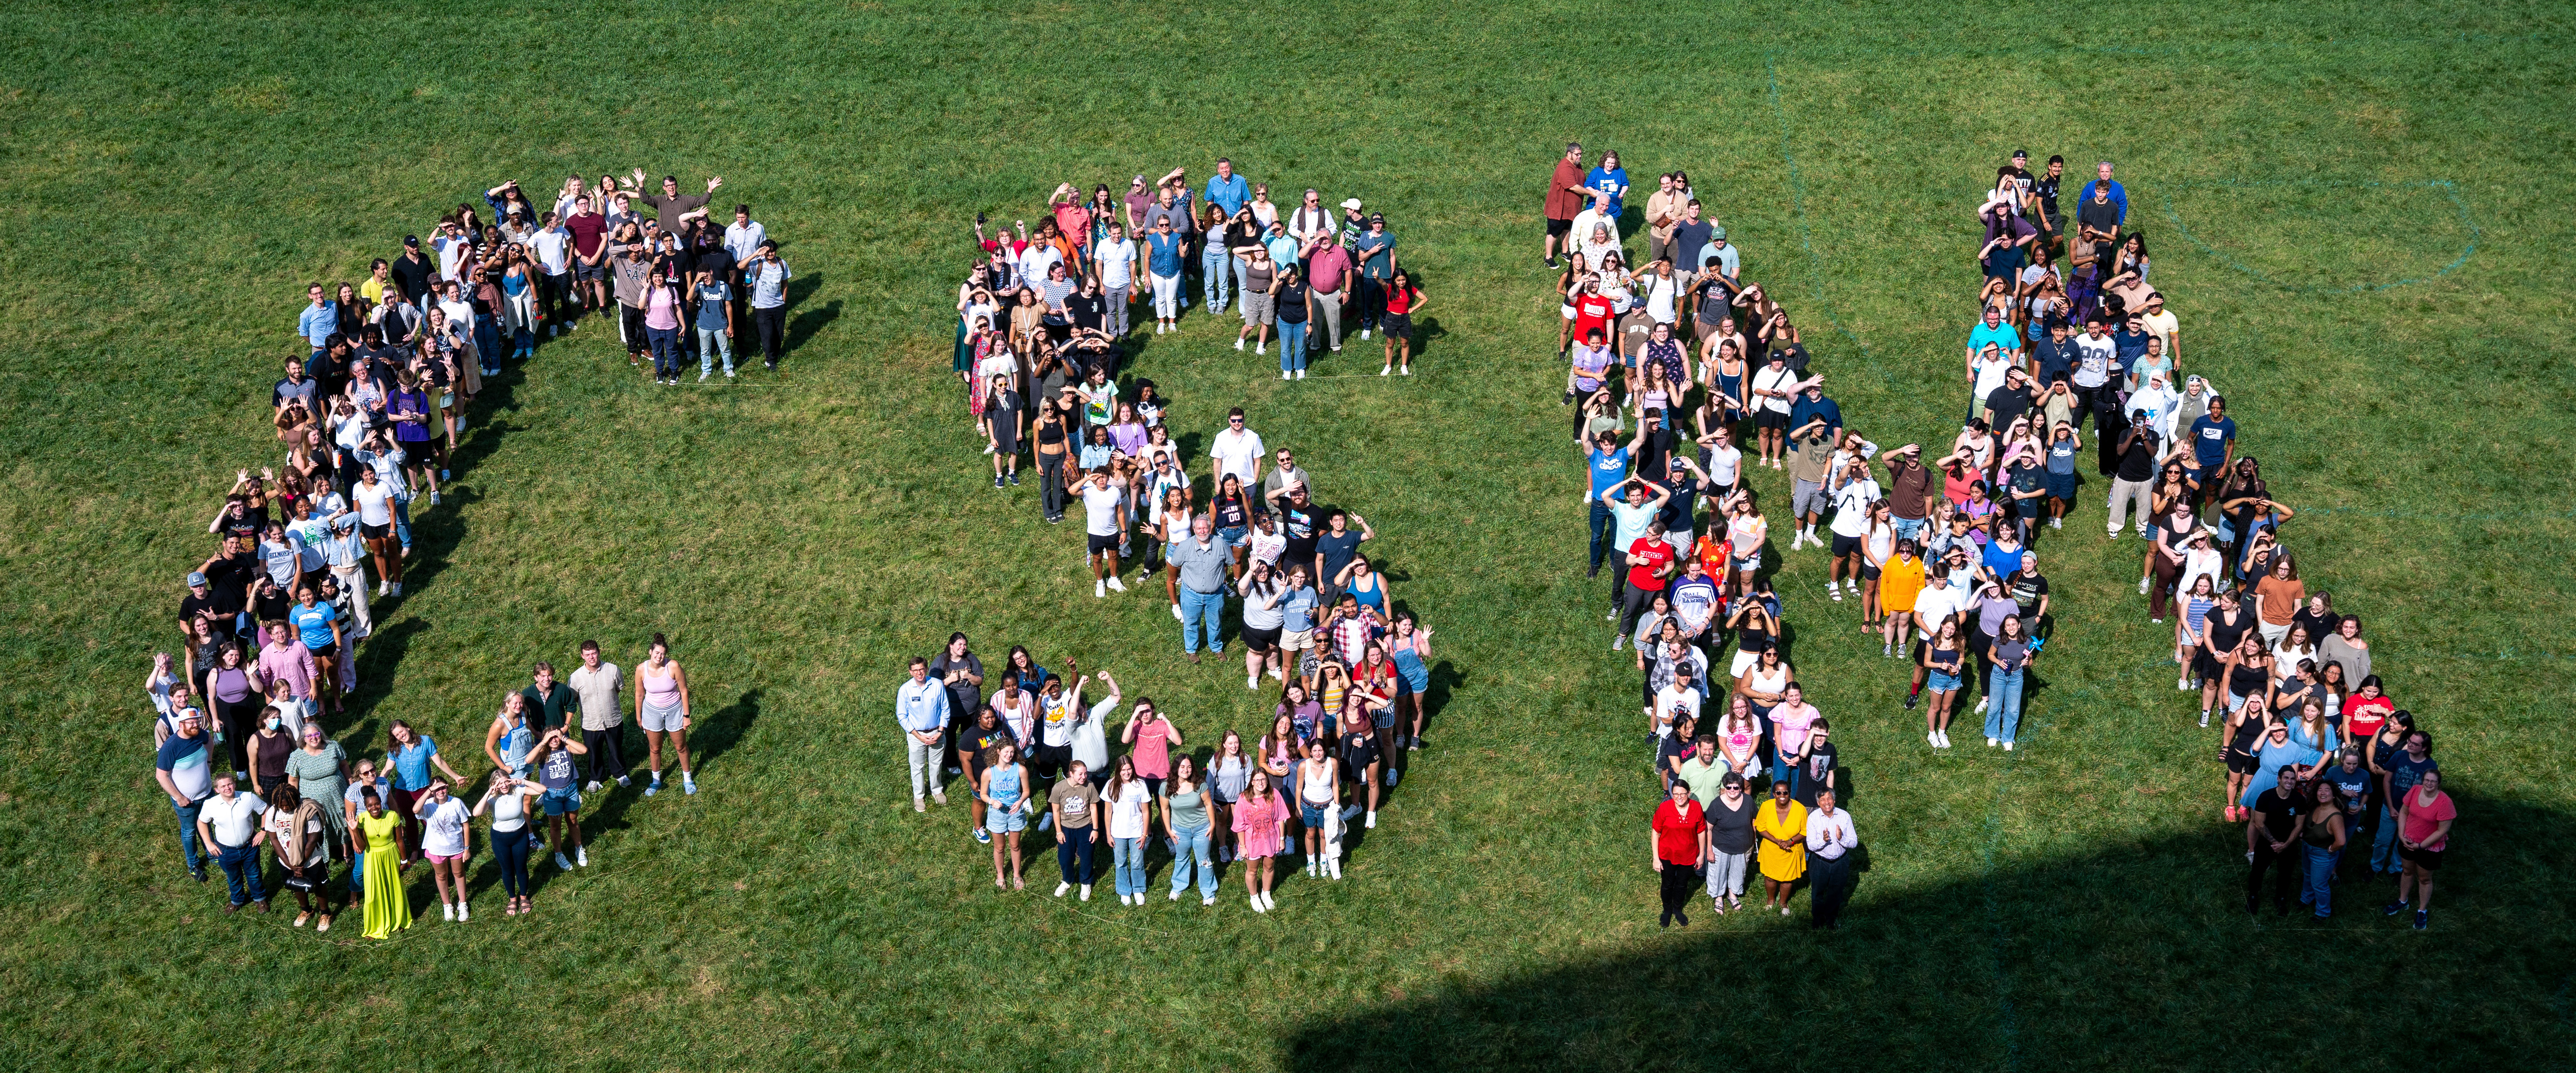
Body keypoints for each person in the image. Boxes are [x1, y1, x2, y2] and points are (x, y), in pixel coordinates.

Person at [2387, 768, 2454, 931]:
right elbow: (2404, 812)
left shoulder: (2445, 802)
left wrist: (2422, 846)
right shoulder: (2415, 790)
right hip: (2408, 841)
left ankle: (2422, 910)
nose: (2429, 783)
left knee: (2424, 879)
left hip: (2429, 848)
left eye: (2433, 781)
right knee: (2407, 871)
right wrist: (2402, 836)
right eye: (2427, 780)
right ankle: (2403, 901)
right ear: (2423, 781)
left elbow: (2442, 830)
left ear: (2439, 784)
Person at [264, 781, 334, 930]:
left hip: (311, 859)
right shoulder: (273, 813)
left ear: (295, 800)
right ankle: (306, 910)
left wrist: (300, 863)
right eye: (281, 805)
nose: (285, 808)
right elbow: (274, 839)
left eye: (288, 804)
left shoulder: (308, 811)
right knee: (297, 885)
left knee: (319, 886)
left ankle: (325, 913)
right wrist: (291, 865)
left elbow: (313, 839)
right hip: (287, 861)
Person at [196, 773, 269, 912]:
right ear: (217, 790)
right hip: (225, 850)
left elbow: (266, 810)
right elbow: (201, 822)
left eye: (230, 784)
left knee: (254, 874)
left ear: (235, 784)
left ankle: (260, 899)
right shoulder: (211, 804)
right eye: (223, 786)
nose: (227, 788)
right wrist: (209, 844)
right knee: (233, 877)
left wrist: (263, 831)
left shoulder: (248, 797)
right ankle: (237, 901)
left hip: (249, 846)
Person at [474, 770, 543, 916]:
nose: (504, 785)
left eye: (506, 781)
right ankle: (513, 899)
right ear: (494, 785)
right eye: (500, 783)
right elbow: (477, 813)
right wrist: (489, 792)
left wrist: (522, 782)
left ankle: (524, 897)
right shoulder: (492, 798)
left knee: (521, 868)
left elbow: (542, 789)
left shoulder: (518, 790)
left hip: (520, 835)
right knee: (507, 870)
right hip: (501, 839)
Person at [352, 785, 413, 939]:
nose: (374, 808)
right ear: (365, 807)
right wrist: (353, 830)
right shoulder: (362, 819)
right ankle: (374, 927)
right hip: (372, 857)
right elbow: (362, 847)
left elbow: (399, 841)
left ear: (382, 802)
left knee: (394, 889)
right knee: (373, 893)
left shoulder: (392, 816)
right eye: (370, 806)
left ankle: (398, 921)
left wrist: (404, 860)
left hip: (391, 854)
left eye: (377, 804)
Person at [568, 640, 630, 791]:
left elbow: (617, 689)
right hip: (591, 724)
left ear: (599, 652)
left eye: (594, 653)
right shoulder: (576, 677)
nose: (592, 657)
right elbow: (574, 698)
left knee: (616, 749)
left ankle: (620, 774)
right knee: (594, 753)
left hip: (613, 720)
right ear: (582, 656)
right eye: (588, 655)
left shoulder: (613, 670)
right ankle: (596, 778)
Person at [1169, 515, 1232, 661]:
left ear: (1210, 528)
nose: (1202, 531)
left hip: (1215, 595)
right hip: (1191, 595)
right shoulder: (1184, 546)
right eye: (1199, 528)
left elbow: (1228, 562)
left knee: (1215, 623)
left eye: (1205, 528)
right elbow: (1175, 564)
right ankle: (1191, 651)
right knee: (1191, 623)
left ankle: (1216, 648)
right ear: (1194, 529)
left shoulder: (1221, 544)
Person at [2245, 765, 2304, 916]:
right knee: (2258, 870)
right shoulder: (2266, 797)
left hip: (2288, 844)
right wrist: (2274, 843)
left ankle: (2281, 899)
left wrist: (2286, 844)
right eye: (2286, 778)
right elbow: (2259, 823)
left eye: (2292, 778)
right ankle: (2253, 897)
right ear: (2279, 779)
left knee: (2285, 873)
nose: (2290, 781)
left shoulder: (2299, 800)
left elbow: (2299, 825)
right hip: (2267, 842)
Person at [413, 779, 474, 921]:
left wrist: (467, 848)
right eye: (437, 789)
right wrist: (429, 790)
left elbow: (465, 825)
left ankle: (463, 903)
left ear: (448, 787)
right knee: (441, 876)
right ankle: (447, 905)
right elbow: (415, 810)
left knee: (459, 873)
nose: (440, 792)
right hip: (436, 849)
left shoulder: (456, 803)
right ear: (432, 791)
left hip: (456, 847)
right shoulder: (428, 805)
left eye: (443, 788)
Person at [1651, 779, 1707, 928]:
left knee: (1682, 884)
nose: (1679, 797)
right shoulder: (1665, 808)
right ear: (1672, 794)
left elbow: (1701, 831)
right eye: (1675, 794)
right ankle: (1667, 910)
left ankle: (1678, 909)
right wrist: (1656, 858)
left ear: (1689, 793)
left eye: (1683, 794)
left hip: (1688, 855)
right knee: (1668, 884)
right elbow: (1656, 832)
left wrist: (1701, 855)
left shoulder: (1696, 808)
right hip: (1667, 854)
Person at [896, 655, 951, 811]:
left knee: (936, 764)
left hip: (937, 733)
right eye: (915, 671)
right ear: (910, 672)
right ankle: (919, 796)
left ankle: (937, 790)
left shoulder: (937, 685)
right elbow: (902, 716)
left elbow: (945, 709)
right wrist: (918, 735)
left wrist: (940, 731)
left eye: (921, 669)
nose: (919, 673)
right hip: (916, 736)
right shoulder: (905, 690)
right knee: (917, 766)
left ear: (926, 669)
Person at [1233, 769, 1289, 912]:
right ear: (1252, 782)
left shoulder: (1274, 794)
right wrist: (1243, 846)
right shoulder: (1244, 799)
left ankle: (1266, 893)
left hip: (1272, 840)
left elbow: (1281, 818)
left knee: (1269, 867)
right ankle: (1254, 897)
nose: (1261, 783)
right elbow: (1239, 826)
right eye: (1257, 780)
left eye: (1263, 780)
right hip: (1252, 843)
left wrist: (1282, 839)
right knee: (1252, 871)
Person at [1103, 755, 1154, 906]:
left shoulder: (1141, 786)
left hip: (1137, 832)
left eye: (1129, 769)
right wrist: (1108, 834)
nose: (1127, 773)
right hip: (1118, 833)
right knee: (1120, 863)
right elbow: (1108, 812)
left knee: (1138, 862)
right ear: (1118, 771)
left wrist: (1145, 834)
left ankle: (1138, 889)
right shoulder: (1111, 786)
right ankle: (1124, 890)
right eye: (1123, 770)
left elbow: (1146, 812)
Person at [1753, 780, 1809, 916]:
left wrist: (1791, 842)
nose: (1782, 795)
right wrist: (1776, 841)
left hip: (1791, 850)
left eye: (1785, 792)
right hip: (1771, 849)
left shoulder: (1800, 809)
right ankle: (1770, 901)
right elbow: (1761, 827)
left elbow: (1805, 831)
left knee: (1787, 879)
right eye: (1779, 793)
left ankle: (1783, 903)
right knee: (1770, 878)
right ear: (1774, 794)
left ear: (1790, 794)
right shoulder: (1766, 806)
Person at [1804, 788, 1858, 928]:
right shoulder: (1813, 818)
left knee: (1836, 893)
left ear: (1834, 800)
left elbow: (1854, 842)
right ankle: (1817, 920)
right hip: (1820, 862)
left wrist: (1841, 839)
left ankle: (1831, 920)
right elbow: (1811, 845)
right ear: (1818, 802)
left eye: (1829, 799)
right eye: (1823, 800)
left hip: (1840, 862)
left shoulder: (1844, 816)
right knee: (1818, 893)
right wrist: (1823, 840)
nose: (1826, 802)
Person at [1048, 759, 1100, 900]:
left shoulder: (1090, 787)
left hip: (1086, 827)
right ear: (1071, 774)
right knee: (1065, 858)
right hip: (1066, 828)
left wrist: (1095, 829)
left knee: (1087, 856)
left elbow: (1094, 808)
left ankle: (1086, 882)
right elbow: (1056, 811)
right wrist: (1059, 832)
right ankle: (1067, 880)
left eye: (1085, 773)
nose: (1084, 777)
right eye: (1080, 774)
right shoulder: (1059, 788)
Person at [1983, 614, 2035, 750]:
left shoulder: (2027, 642)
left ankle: (2008, 738)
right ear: (2005, 628)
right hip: (1999, 675)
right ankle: (1993, 734)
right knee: (1994, 706)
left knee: (2013, 709)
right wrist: (1998, 662)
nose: (2011, 628)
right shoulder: (2000, 640)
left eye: (2014, 625)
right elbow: (1990, 655)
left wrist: (2027, 663)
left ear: (2019, 626)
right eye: (2008, 625)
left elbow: (2031, 662)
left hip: (2016, 677)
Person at [2299, 778, 2348, 919]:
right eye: (2320, 790)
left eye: (2327, 790)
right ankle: (2306, 899)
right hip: (2307, 849)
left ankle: (2323, 912)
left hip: (2322, 854)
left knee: (2319, 884)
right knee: (2307, 876)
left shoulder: (2335, 816)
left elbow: (2341, 842)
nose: (2323, 793)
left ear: (2334, 796)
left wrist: (2331, 850)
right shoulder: (2316, 807)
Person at [1544, 142, 1587, 267]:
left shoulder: (1577, 166)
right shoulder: (1565, 168)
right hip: (1559, 208)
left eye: (1581, 154)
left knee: (1567, 228)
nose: (1580, 156)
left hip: (1571, 208)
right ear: (1569, 154)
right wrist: (1590, 193)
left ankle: (1565, 251)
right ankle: (1548, 257)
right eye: (1577, 154)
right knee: (1554, 232)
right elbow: (1573, 186)